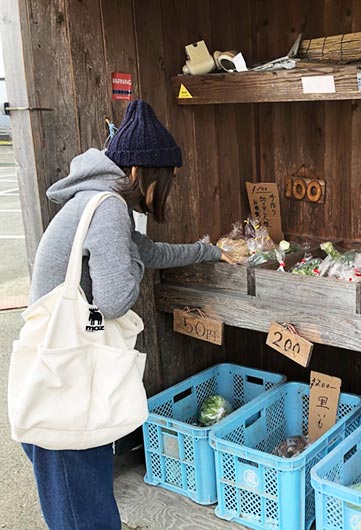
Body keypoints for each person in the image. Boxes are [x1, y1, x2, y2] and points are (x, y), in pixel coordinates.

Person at [21, 99, 230, 529]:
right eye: (165, 181)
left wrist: (209, 251)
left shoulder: (95, 200)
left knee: (85, 509)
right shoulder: (109, 207)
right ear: (140, 173)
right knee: (86, 518)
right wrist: (133, 265)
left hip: (67, 369)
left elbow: (147, 252)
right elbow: (115, 298)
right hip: (66, 387)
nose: (164, 191)